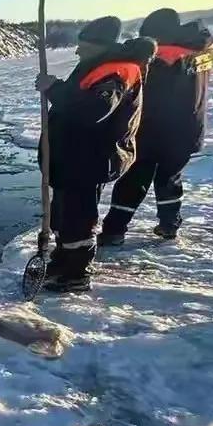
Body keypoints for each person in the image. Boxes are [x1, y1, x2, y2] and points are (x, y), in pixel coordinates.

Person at [34, 16, 156, 292]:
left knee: (77, 218)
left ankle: (75, 274)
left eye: (83, 45)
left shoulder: (116, 72)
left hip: (90, 158)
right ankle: (63, 260)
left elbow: (92, 111)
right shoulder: (100, 66)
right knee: (65, 214)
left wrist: (54, 89)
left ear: (99, 45)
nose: (77, 51)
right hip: (76, 156)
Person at [99, 9, 213, 244]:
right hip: (188, 130)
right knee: (170, 178)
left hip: (152, 130)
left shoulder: (161, 57)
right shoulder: (203, 52)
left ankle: (114, 231)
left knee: (133, 179)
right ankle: (169, 225)